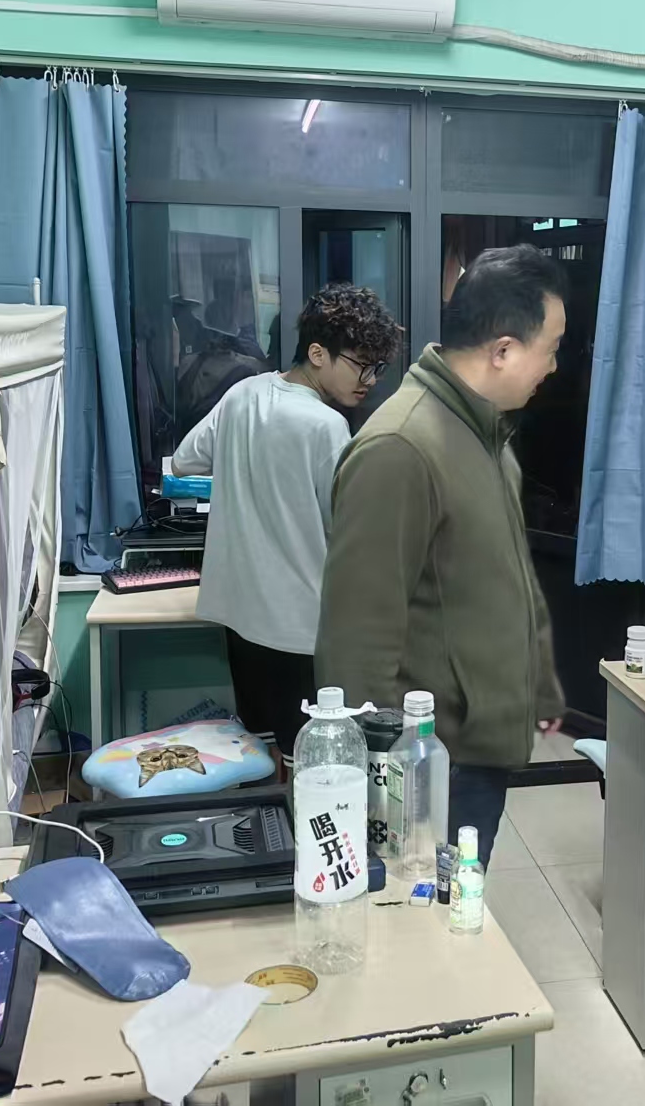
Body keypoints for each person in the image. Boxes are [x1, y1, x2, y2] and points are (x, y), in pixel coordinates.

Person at [315, 244, 568, 865]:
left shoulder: (485, 435)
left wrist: (539, 686)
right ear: (503, 350)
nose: (554, 365)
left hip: (477, 747)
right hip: (429, 761)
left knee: (459, 897)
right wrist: (376, 785)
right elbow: (356, 637)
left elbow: (507, 578)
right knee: (425, 908)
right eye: (551, 347)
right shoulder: (401, 448)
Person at [171, 283, 400, 763]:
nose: (370, 380)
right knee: (310, 762)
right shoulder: (326, 425)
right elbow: (346, 529)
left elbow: (187, 460)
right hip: (300, 627)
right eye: (360, 365)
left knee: (260, 750)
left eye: (377, 367)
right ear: (317, 354)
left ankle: (265, 813)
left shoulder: (242, 393)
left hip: (238, 617)